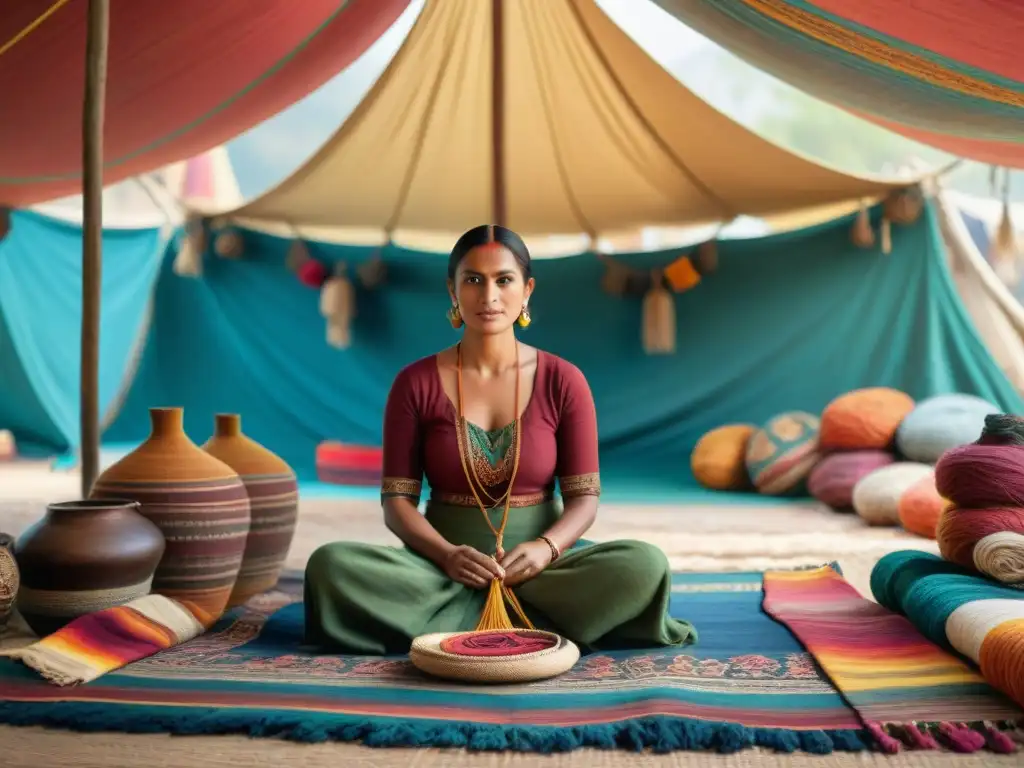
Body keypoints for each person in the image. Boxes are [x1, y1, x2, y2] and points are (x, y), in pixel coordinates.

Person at [304, 224, 696, 655]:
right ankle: (524, 623)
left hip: (546, 574)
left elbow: (585, 499)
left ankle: (460, 623)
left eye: (503, 280)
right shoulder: (414, 383)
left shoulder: (564, 381)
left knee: (644, 565)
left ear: (526, 290)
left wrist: (546, 549)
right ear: (451, 290)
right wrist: (448, 556)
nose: (488, 296)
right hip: (439, 574)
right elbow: (397, 504)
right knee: (330, 566)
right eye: (472, 280)